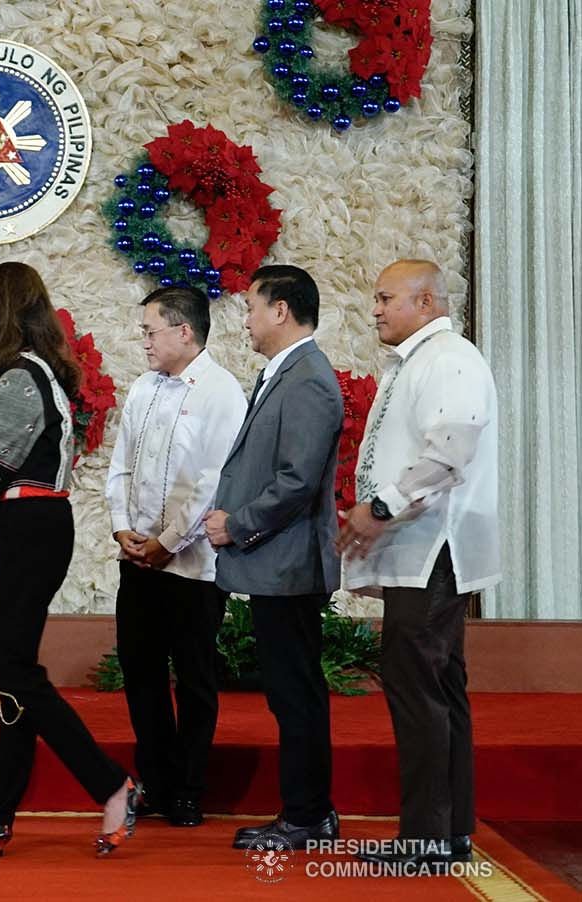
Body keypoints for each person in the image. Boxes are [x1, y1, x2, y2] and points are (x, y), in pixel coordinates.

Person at [0, 261, 142, 857]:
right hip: (34, 523)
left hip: (25, 525)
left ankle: (112, 784)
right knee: (11, 676)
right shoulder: (39, 372)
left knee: (14, 674)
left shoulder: (20, 376)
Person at [337, 260, 499, 868]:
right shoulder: (420, 361)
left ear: (426, 300)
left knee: (415, 685)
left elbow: (450, 451)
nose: (375, 308)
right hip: (426, 548)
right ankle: (449, 830)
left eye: (385, 298)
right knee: (435, 684)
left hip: (437, 547)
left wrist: (379, 506)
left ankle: (426, 839)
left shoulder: (449, 358)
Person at [202, 264, 345, 851]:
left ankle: (307, 816)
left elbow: (295, 481)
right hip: (276, 565)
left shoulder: (308, 377)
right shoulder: (285, 373)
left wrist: (237, 525)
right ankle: (306, 812)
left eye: (252, 307)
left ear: (281, 310)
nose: (247, 319)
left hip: (287, 566)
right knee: (291, 694)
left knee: (296, 695)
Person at [105, 286, 246, 827]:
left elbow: (211, 480)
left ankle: (188, 787)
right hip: (137, 560)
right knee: (140, 672)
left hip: (193, 567)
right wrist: (124, 529)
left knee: (194, 679)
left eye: (151, 330)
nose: (144, 341)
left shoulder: (221, 392)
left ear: (184, 331)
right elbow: (122, 465)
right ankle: (157, 781)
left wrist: (168, 542)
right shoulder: (143, 388)